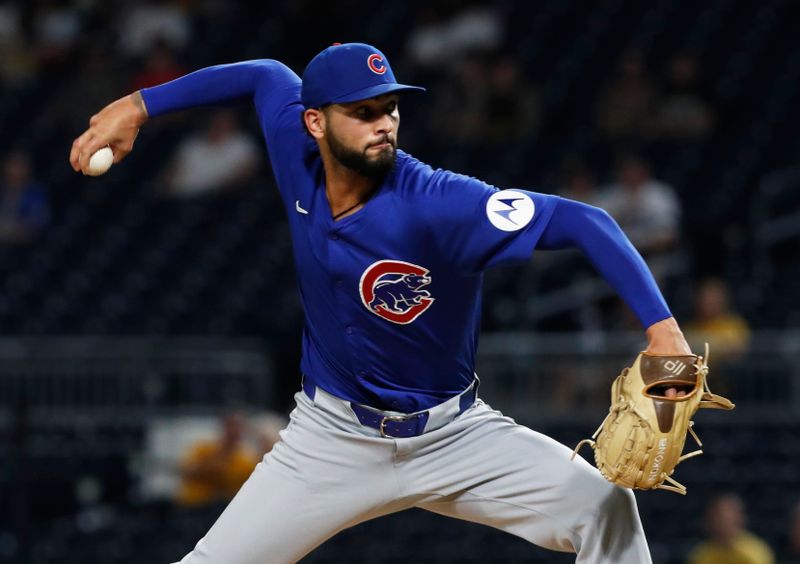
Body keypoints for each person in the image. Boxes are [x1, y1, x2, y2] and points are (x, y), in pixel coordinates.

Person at [70, 42, 699, 564]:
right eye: (364, 111)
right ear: (314, 121)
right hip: (331, 439)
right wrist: (138, 105)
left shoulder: (442, 204)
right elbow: (262, 75)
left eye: (391, 108)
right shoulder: (295, 149)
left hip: (455, 435)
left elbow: (586, 221)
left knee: (607, 512)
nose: (384, 123)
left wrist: (664, 333)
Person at [176, 412, 259, 508]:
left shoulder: (245, 460)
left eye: (238, 428)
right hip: (195, 504)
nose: (233, 431)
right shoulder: (204, 449)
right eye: (230, 426)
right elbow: (186, 470)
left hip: (222, 507)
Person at [688, 493, 774, 564]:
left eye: (726, 518)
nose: (721, 523)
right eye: (718, 518)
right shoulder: (701, 554)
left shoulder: (754, 553)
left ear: (740, 519)